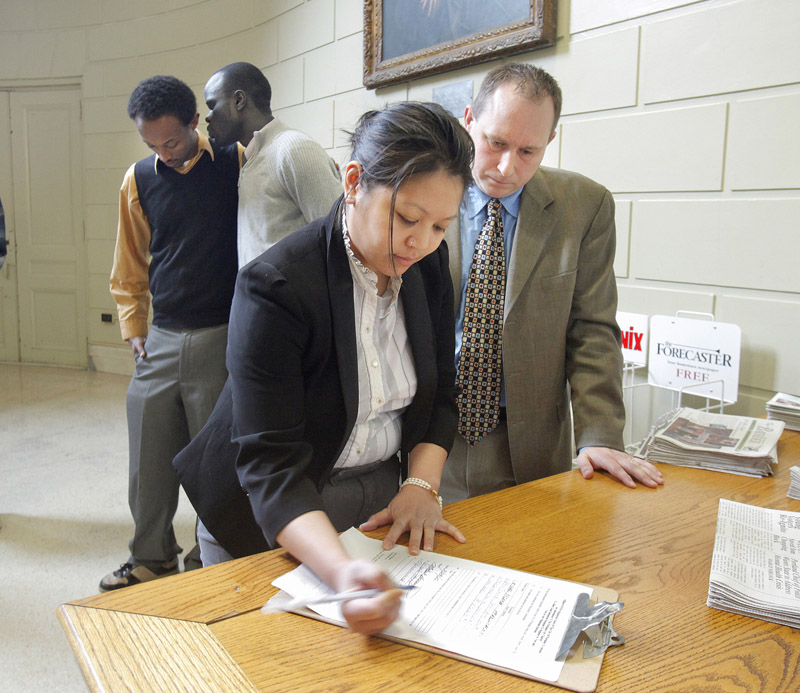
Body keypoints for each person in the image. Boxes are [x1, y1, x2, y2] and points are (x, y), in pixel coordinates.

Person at [174, 101, 473, 634]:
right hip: (267, 511)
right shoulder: (278, 285)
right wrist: (342, 573)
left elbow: (441, 395)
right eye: (406, 219)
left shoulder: (426, 269)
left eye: (440, 226)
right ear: (354, 182)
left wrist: (421, 488)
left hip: (375, 497)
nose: (421, 242)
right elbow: (271, 466)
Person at [440, 63, 663, 504]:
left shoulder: (585, 207)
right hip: (428, 433)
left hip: (528, 440)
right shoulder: (425, 193)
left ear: (550, 144)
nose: (507, 167)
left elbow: (592, 329)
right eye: (495, 142)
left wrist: (599, 434)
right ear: (469, 121)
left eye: (528, 152)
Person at [103, 75, 241, 591]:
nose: (163, 152)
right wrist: (133, 325)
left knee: (214, 458)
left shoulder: (236, 160)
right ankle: (151, 555)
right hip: (161, 338)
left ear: (194, 123)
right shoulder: (138, 179)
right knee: (148, 454)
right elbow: (130, 262)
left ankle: (208, 554)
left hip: (222, 333)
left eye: (172, 141)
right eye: (151, 144)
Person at [203, 61, 342, 267]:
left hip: (292, 299)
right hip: (256, 298)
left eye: (212, 105)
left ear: (239, 100)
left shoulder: (294, 149)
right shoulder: (252, 156)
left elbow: (340, 242)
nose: (208, 117)